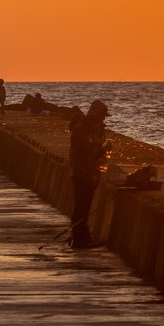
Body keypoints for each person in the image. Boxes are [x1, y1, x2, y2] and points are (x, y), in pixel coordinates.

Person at [69, 100, 112, 248]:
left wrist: (102, 150)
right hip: (81, 174)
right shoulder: (80, 131)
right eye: (102, 116)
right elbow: (84, 153)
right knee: (81, 207)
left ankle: (82, 236)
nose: (103, 119)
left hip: (89, 173)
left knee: (85, 208)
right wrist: (99, 149)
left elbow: (92, 153)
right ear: (95, 115)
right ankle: (79, 239)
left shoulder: (92, 129)